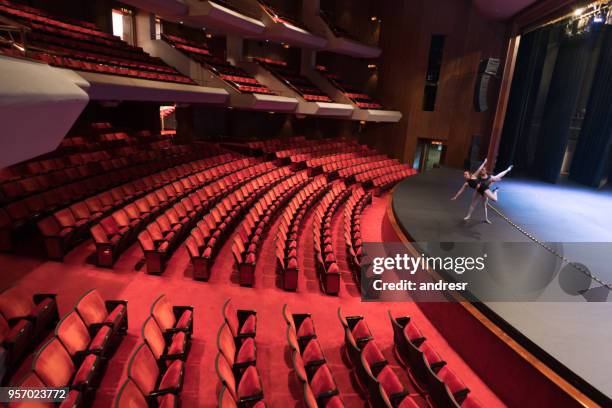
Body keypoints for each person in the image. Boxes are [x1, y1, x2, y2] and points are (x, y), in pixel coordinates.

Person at [451, 159, 513, 224]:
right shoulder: (467, 183)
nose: (465, 175)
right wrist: (455, 197)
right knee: (473, 203)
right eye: (464, 175)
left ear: (469, 174)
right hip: (478, 191)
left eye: (466, 174)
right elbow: (460, 190)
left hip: (484, 189)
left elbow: (481, 169)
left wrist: (484, 162)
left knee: (489, 202)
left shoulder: (475, 176)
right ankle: (468, 216)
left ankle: (495, 191)